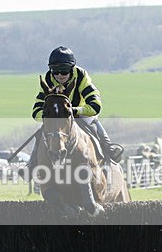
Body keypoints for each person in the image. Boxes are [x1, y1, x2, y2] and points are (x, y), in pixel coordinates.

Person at [28, 46, 123, 175]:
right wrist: (50, 115)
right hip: (59, 119)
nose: (60, 75)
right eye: (55, 71)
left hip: (81, 113)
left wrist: (73, 111)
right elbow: (36, 112)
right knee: (43, 133)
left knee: (94, 126)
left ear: (71, 68)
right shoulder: (49, 79)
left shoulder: (81, 75)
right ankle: (32, 164)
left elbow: (95, 106)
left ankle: (109, 150)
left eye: (64, 71)